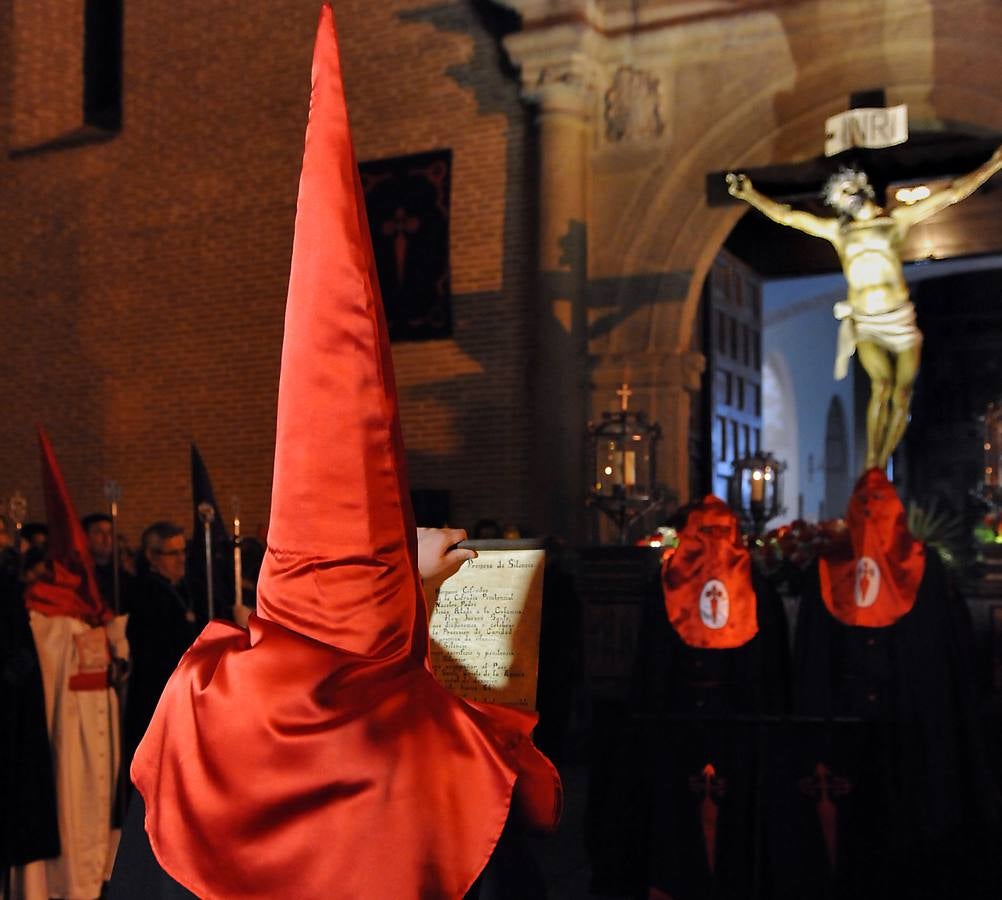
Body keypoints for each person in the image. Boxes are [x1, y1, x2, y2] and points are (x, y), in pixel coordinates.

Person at [108, 7, 560, 899]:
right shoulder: (443, 736)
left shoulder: (200, 699)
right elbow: (519, 841)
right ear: (394, 584)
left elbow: (140, 869)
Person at [726, 146, 1002, 470]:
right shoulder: (840, 232)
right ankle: (872, 462)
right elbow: (790, 217)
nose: (843, 199)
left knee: (902, 394)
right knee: (881, 386)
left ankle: (883, 460)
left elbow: (951, 194)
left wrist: (993, 165)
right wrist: (752, 195)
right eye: (838, 196)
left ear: (860, 185)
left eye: (845, 190)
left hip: (898, 319)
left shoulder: (895, 221)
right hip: (867, 320)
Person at [24, 429, 129, 900]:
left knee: (98, 805)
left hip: (99, 722)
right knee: (72, 807)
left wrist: (114, 645)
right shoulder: (45, 612)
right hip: (69, 731)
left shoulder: (93, 609)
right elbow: (47, 661)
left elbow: (113, 668)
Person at [121, 521, 201, 785]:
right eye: (172, 553)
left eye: (183, 551)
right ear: (152, 556)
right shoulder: (142, 592)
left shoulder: (187, 587)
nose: (181, 560)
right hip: (155, 691)